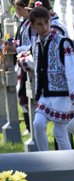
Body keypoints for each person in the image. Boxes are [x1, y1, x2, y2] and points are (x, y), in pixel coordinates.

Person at [20, 6, 74, 151]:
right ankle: (45, 158)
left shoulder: (63, 43)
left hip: (62, 95)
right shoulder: (36, 44)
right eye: (39, 24)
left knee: (60, 132)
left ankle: (67, 164)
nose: (44, 27)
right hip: (45, 94)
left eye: (46, 22)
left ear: (50, 21)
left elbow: (73, 70)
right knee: (37, 124)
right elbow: (39, 65)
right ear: (32, 25)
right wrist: (25, 63)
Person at [11, 0, 32, 133]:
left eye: (19, 9)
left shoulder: (31, 24)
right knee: (22, 94)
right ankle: (28, 125)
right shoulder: (24, 23)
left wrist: (18, 48)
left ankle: (30, 126)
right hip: (21, 62)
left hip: (27, 62)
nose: (17, 12)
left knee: (26, 94)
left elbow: (31, 44)